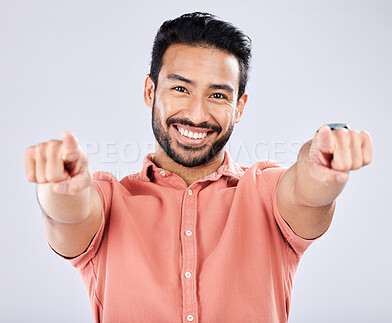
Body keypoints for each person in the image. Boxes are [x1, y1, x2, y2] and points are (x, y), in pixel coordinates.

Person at [24, 12, 372, 323]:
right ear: (150, 90)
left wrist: (320, 166)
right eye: (180, 88)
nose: (197, 114)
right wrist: (57, 187)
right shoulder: (109, 201)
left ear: (239, 107)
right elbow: (70, 213)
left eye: (218, 95)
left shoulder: (265, 194)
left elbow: (306, 191)